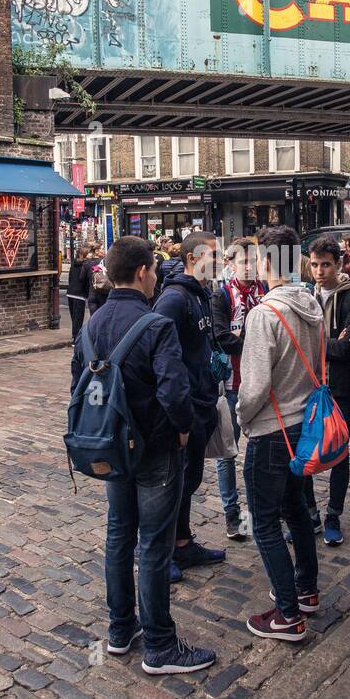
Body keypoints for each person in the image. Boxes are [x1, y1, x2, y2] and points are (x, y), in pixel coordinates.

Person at [70, 236, 215, 675]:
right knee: (153, 545)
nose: (156, 277)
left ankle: (120, 630)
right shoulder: (155, 325)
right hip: (154, 450)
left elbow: (79, 386)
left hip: (112, 448)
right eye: (153, 270)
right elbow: (175, 392)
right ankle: (159, 645)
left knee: (118, 538)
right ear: (141, 272)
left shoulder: (90, 326)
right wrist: (185, 429)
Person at [232, 225, 325, 640]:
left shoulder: (264, 314)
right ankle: (306, 589)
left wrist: (240, 417)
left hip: (271, 430)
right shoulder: (312, 305)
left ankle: (287, 615)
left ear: (269, 262)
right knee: (298, 512)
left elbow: (252, 387)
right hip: (303, 424)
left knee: (266, 522)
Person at [154, 231, 225, 574]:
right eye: (213, 255)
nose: (220, 262)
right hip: (187, 406)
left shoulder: (202, 295)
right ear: (193, 259)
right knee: (175, 484)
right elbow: (160, 358)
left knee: (190, 480)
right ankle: (163, 552)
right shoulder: (174, 298)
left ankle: (182, 544)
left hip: (204, 401)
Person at [302, 236, 350, 546]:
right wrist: (329, 342)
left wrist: (314, 342)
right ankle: (311, 513)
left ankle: (333, 515)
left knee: (338, 453)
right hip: (309, 385)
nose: (319, 270)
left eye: (325, 264)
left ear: (338, 264)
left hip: (341, 388)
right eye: (314, 264)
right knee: (305, 450)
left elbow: (346, 348)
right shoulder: (305, 295)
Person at [209, 237, 265, 542]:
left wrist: (241, 333)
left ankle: (261, 511)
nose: (249, 266)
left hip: (261, 383)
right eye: (243, 261)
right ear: (231, 264)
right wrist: (253, 335)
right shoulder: (221, 296)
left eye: (253, 261)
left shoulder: (265, 292)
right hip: (232, 385)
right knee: (227, 454)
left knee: (258, 452)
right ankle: (233, 515)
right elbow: (221, 337)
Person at [66, 243, 92, 339]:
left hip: (70, 292)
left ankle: (75, 336)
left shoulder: (74, 263)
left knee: (74, 317)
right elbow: (85, 280)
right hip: (79, 294)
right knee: (78, 318)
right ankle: (76, 338)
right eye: (89, 253)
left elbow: (70, 277)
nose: (91, 255)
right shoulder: (85, 265)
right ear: (85, 254)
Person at [85, 243, 111, 315]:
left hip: (92, 295)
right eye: (102, 249)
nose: (104, 251)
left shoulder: (87, 263)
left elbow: (82, 279)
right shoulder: (106, 262)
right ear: (96, 251)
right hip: (104, 294)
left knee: (93, 319)